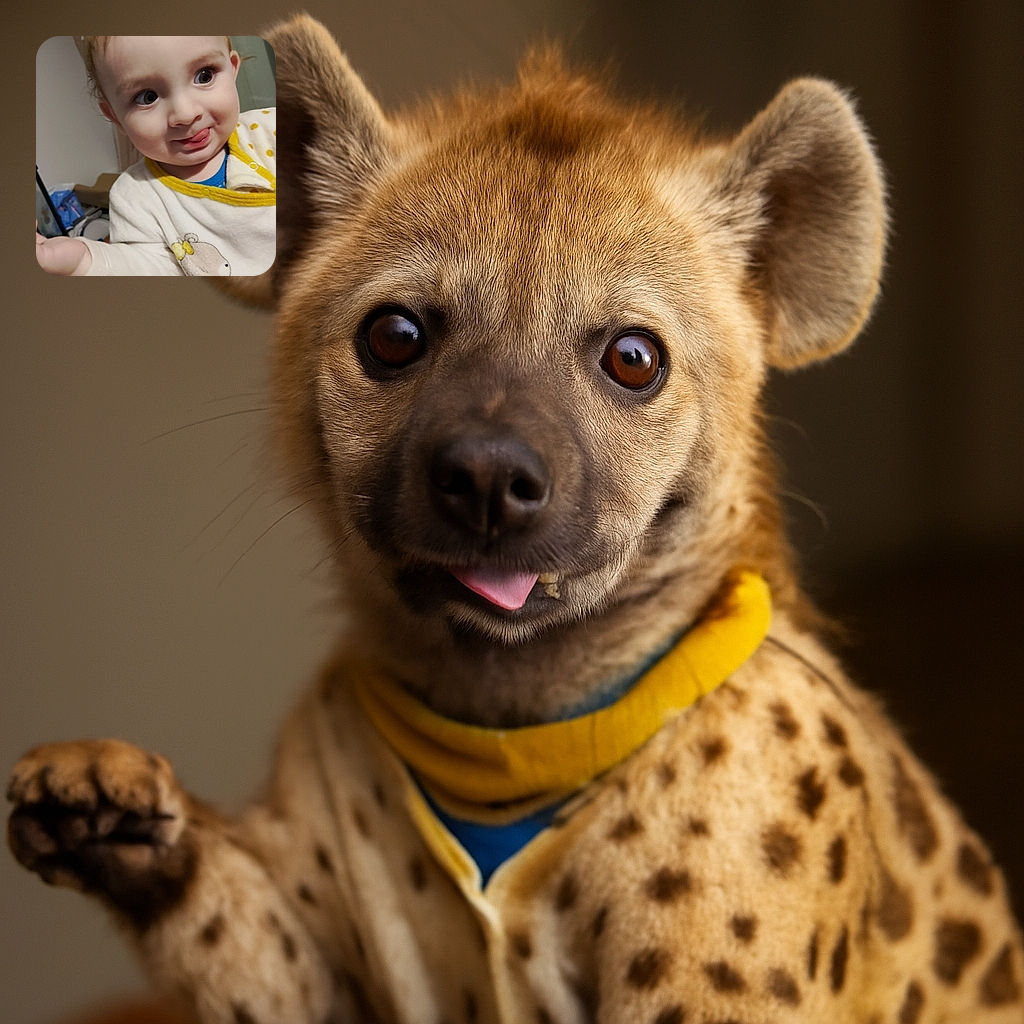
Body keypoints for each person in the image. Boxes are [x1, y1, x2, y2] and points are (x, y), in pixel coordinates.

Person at [36, 36, 275, 277]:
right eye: (147, 97)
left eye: (204, 75)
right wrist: (85, 261)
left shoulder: (273, 129)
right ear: (115, 117)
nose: (185, 113)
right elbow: (145, 268)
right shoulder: (135, 196)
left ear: (233, 69)